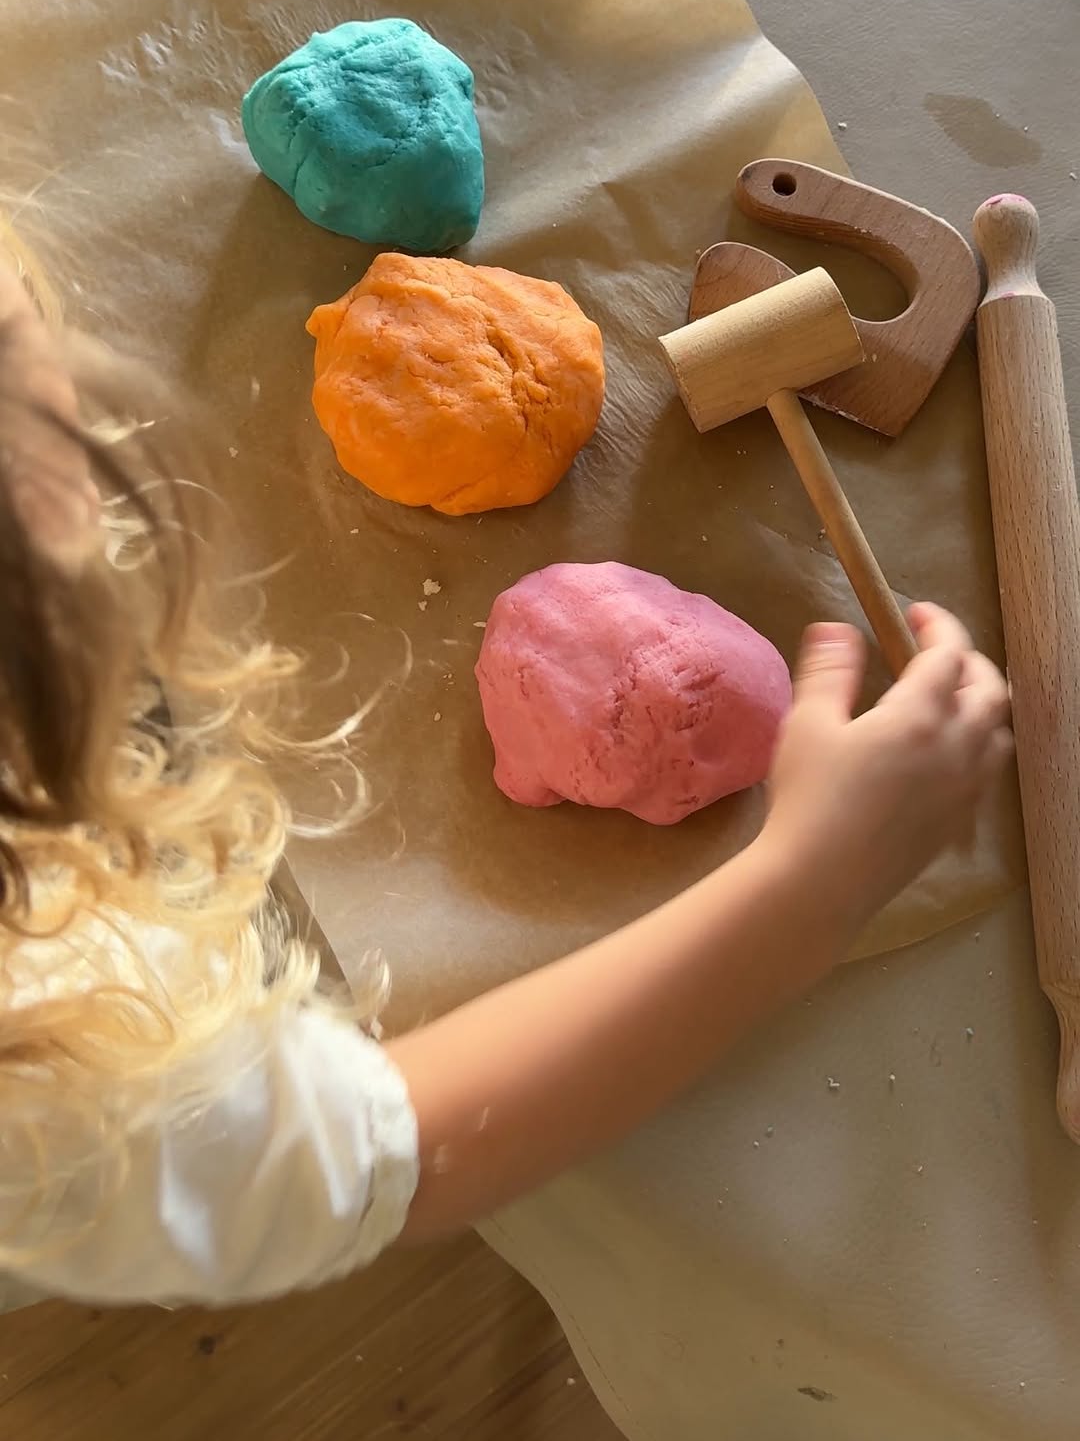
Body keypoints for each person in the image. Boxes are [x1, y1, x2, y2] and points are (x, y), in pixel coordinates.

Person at [0, 240, 1011, 1307]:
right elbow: (367, 1157)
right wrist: (812, 881)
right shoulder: (53, 1088)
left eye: (28, 326)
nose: (84, 418)